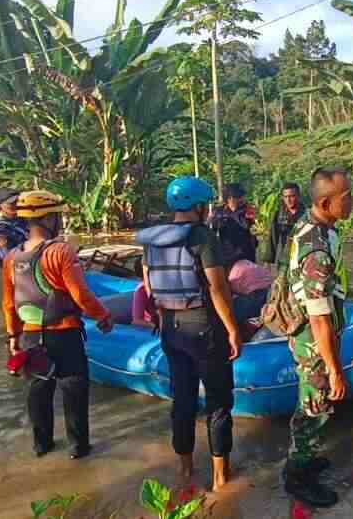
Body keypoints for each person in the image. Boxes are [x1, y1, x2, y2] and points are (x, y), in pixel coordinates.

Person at [135, 176, 244, 492]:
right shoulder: (202, 237)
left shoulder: (151, 240)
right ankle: (221, 478)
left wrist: (164, 318)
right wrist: (233, 330)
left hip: (171, 327)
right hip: (204, 328)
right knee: (219, 401)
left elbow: (149, 284)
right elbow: (218, 287)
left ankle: (185, 470)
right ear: (199, 206)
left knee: (181, 400)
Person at [2, 191, 114, 459]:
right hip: (64, 332)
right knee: (73, 388)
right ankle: (79, 447)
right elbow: (80, 294)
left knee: (38, 391)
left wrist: (12, 336)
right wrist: (102, 316)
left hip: (29, 336)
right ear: (49, 218)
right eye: (59, 216)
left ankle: (42, 445)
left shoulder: (10, 258)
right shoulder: (61, 251)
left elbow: (8, 304)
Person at [281, 166, 353, 508]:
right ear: (326, 202)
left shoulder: (317, 227)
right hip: (313, 340)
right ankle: (297, 477)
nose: (352, 201)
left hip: (314, 335)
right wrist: (335, 367)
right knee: (314, 406)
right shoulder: (316, 247)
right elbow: (319, 317)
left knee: (314, 403)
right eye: (346, 197)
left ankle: (306, 460)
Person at [210, 183, 258, 263]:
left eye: (242, 196)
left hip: (246, 255)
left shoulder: (248, 209)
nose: (241, 199)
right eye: (238, 197)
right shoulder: (219, 212)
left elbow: (250, 226)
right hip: (227, 256)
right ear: (228, 198)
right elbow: (212, 230)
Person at [266, 182, 306, 264]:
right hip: (284, 257)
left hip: (302, 257)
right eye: (286, 197)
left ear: (298, 196)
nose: (288, 200)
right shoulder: (278, 215)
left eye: (292, 196)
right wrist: (269, 260)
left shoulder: (307, 215)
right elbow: (273, 238)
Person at [0, 188, 28, 268]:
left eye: (18, 201)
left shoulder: (23, 219)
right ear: (1, 205)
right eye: (11, 203)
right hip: (18, 272)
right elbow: (8, 259)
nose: (16, 204)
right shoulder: (0, 230)